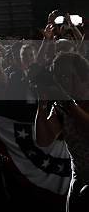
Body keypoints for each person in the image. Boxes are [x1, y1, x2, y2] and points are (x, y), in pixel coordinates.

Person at [34, 52, 89, 212]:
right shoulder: (62, 105)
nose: (60, 81)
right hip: (79, 177)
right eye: (57, 76)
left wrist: (67, 102)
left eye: (65, 75)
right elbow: (43, 140)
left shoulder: (67, 102)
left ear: (82, 76)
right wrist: (42, 104)